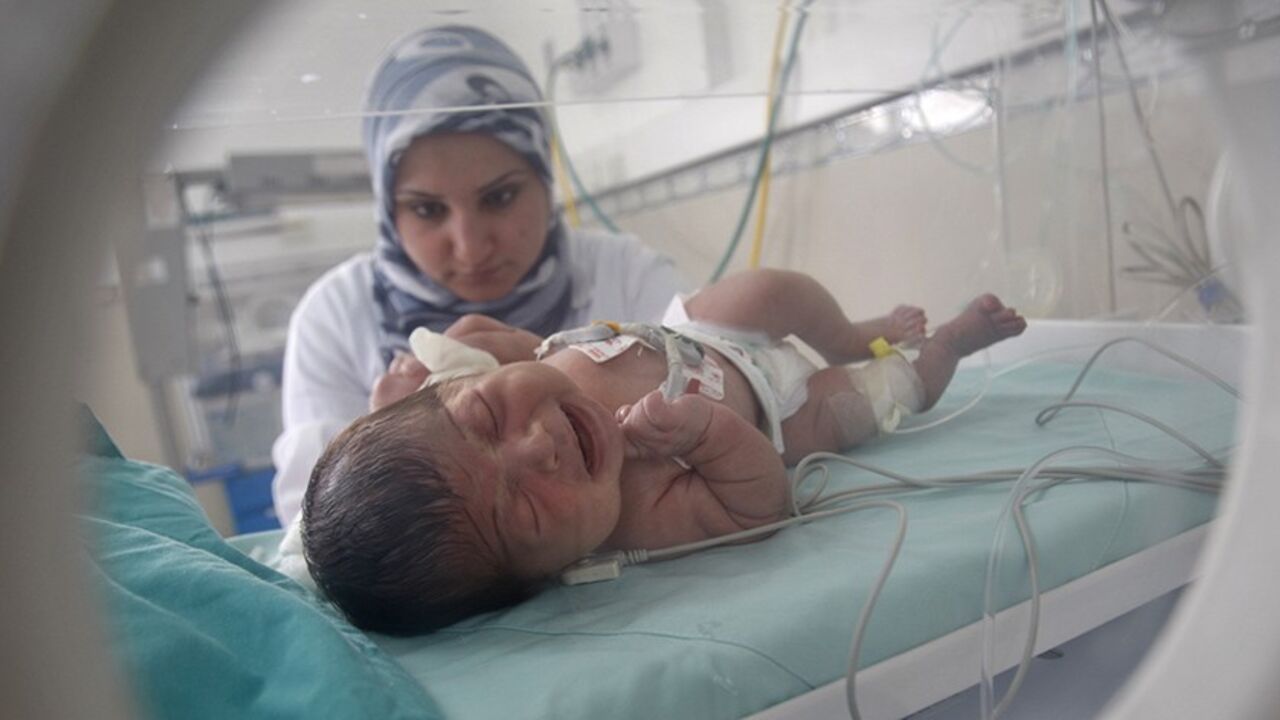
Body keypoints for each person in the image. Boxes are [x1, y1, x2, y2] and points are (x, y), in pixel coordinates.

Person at [301, 268, 1027, 635]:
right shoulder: (631, 512)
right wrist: (704, 434)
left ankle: (850, 329)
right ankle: (943, 349)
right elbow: (757, 507)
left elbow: (491, 336)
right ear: (545, 575)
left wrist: (440, 364)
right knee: (876, 397)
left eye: (488, 411)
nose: (536, 447)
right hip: (784, 412)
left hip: (698, 334)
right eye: (523, 511)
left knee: (771, 288)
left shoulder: (509, 372)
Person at [271, 25, 688, 526]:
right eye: (427, 209)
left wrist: (555, 370)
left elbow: (724, 410)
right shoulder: (335, 316)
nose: (469, 246)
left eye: (500, 197)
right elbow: (311, 526)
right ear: (388, 207)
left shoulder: (624, 273)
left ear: (542, 178)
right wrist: (388, 440)